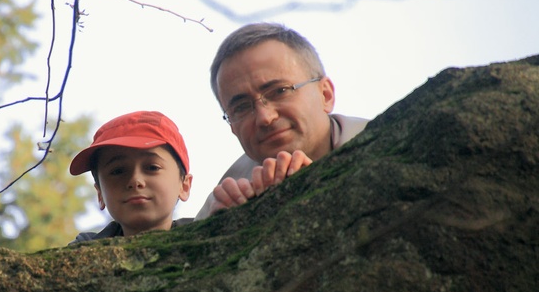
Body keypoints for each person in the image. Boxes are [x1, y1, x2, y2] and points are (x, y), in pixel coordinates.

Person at [195, 22, 369, 219]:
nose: (265, 118)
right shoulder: (225, 199)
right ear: (232, 128)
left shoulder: (383, 144)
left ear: (325, 95)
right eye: (241, 107)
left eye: (280, 91)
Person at [68, 111, 193, 243]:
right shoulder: (84, 249)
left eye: (152, 167)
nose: (135, 180)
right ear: (99, 194)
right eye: (118, 171)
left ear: (184, 186)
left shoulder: (209, 237)